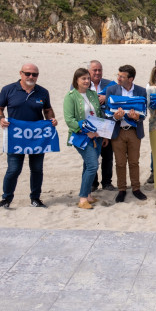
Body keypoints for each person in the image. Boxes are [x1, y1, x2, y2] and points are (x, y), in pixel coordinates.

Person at [0, 63, 57, 208]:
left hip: (37, 137)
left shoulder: (43, 92)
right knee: (13, 169)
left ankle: (35, 198)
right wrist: (1, 118)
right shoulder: (8, 89)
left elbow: (48, 110)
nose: (31, 77)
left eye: (34, 74)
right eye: (27, 73)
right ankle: (6, 199)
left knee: (37, 169)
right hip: (16, 137)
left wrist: (51, 119)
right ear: (20, 73)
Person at [64, 68, 107, 209]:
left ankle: (88, 194)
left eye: (88, 78)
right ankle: (82, 198)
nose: (87, 81)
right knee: (93, 165)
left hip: (97, 136)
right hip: (81, 137)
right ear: (76, 80)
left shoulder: (93, 94)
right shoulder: (71, 97)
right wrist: (86, 131)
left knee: (88, 165)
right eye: (83, 79)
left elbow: (99, 114)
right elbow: (69, 120)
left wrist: (103, 132)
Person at [106, 65, 148, 203]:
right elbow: (107, 112)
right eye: (118, 75)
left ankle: (136, 188)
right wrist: (115, 117)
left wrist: (137, 117)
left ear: (131, 79)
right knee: (120, 163)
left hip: (134, 131)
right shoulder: (112, 90)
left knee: (134, 162)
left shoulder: (141, 91)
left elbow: (144, 113)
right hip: (118, 132)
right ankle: (122, 189)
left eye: (122, 76)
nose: (118, 78)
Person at [87, 60, 116, 192]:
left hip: (106, 125)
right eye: (95, 70)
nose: (97, 72)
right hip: (89, 126)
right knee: (90, 156)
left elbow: (117, 97)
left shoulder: (109, 84)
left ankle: (107, 182)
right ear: (89, 71)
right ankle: (93, 183)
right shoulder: (82, 83)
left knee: (108, 155)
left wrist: (106, 96)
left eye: (100, 70)